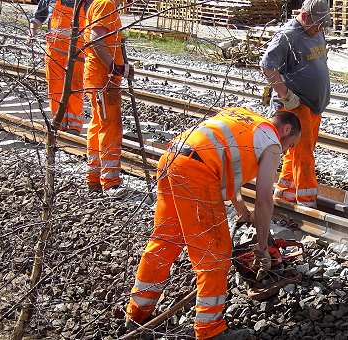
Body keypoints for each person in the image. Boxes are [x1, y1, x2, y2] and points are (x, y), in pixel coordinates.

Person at [125, 108, 301, 339]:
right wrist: (261, 247)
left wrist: (240, 208)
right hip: (197, 172)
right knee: (215, 255)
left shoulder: (243, 118)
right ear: (286, 130)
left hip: (172, 159)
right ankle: (210, 331)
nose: (288, 150)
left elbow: (226, 158)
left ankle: (137, 316)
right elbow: (264, 200)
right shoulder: (272, 142)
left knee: (165, 241)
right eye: (291, 145)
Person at [260, 0, 331, 208]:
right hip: (297, 105)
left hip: (314, 105)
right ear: (305, 16)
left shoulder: (316, 30)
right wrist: (285, 94)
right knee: (304, 154)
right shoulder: (287, 36)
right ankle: (307, 202)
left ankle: (284, 194)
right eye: (318, 23)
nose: (320, 28)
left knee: (298, 151)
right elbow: (267, 65)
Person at [83, 0, 133, 196]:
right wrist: (115, 68)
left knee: (98, 124)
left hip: (102, 76)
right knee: (111, 126)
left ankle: (94, 178)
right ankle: (110, 182)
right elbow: (96, 40)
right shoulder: (106, 3)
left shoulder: (106, 3)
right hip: (103, 78)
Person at [30, 0, 86, 134]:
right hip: (54, 51)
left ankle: (74, 126)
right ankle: (57, 122)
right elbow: (38, 17)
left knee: (76, 87)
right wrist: (32, 32)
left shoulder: (87, 1)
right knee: (55, 87)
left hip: (77, 52)